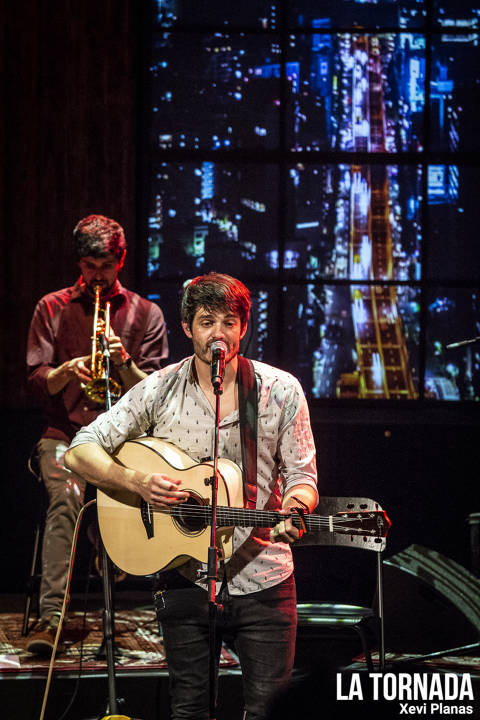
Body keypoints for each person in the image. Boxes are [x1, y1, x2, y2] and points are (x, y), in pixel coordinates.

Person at [65, 272, 318, 720]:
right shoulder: (159, 387)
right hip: (184, 578)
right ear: (187, 327)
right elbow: (80, 451)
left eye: (228, 321)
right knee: (189, 710)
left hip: (265, 579)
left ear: (243, 326)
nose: (217, 333)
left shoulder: (281, 391)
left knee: (269, 711)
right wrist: (137, 483)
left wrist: (296, 509)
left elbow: (303, 476)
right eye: (206, 322)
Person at [26, 214, 169, 655]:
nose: (97, 277)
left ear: (120, 260)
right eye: (89, 267)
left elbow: (158, 394)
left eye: (105, 266)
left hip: (123, 441)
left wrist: (123, 361)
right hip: (64, 434)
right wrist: (67, 369)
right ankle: (51, 618)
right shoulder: (51, 307)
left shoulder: (147, 314)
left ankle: (147, 597)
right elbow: (34, 382)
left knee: (151, 489)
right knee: (68, 495)